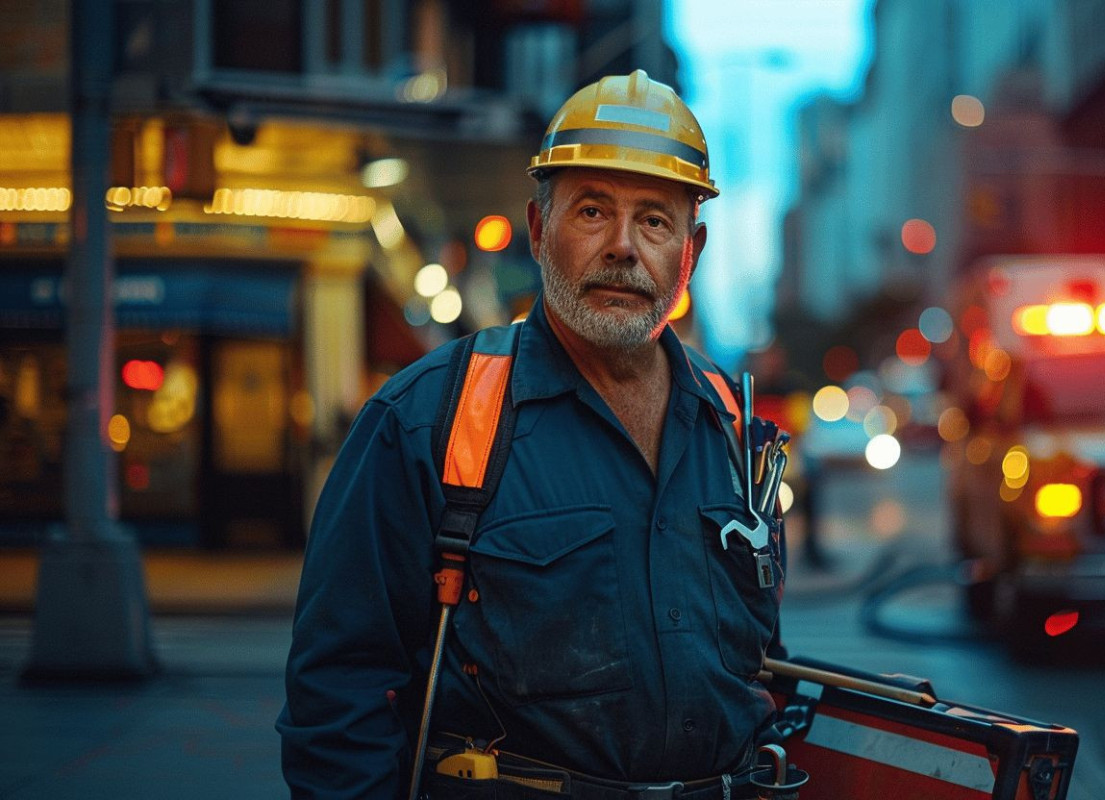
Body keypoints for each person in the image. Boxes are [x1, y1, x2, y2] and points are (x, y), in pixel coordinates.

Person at [278, 70, 786, 799]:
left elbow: (758, 670)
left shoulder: (737, 436)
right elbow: (337, 697)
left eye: (654, 219)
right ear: (540, 229)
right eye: (591, 211)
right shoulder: (425, 421)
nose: (623, 246)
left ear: (690, 251)